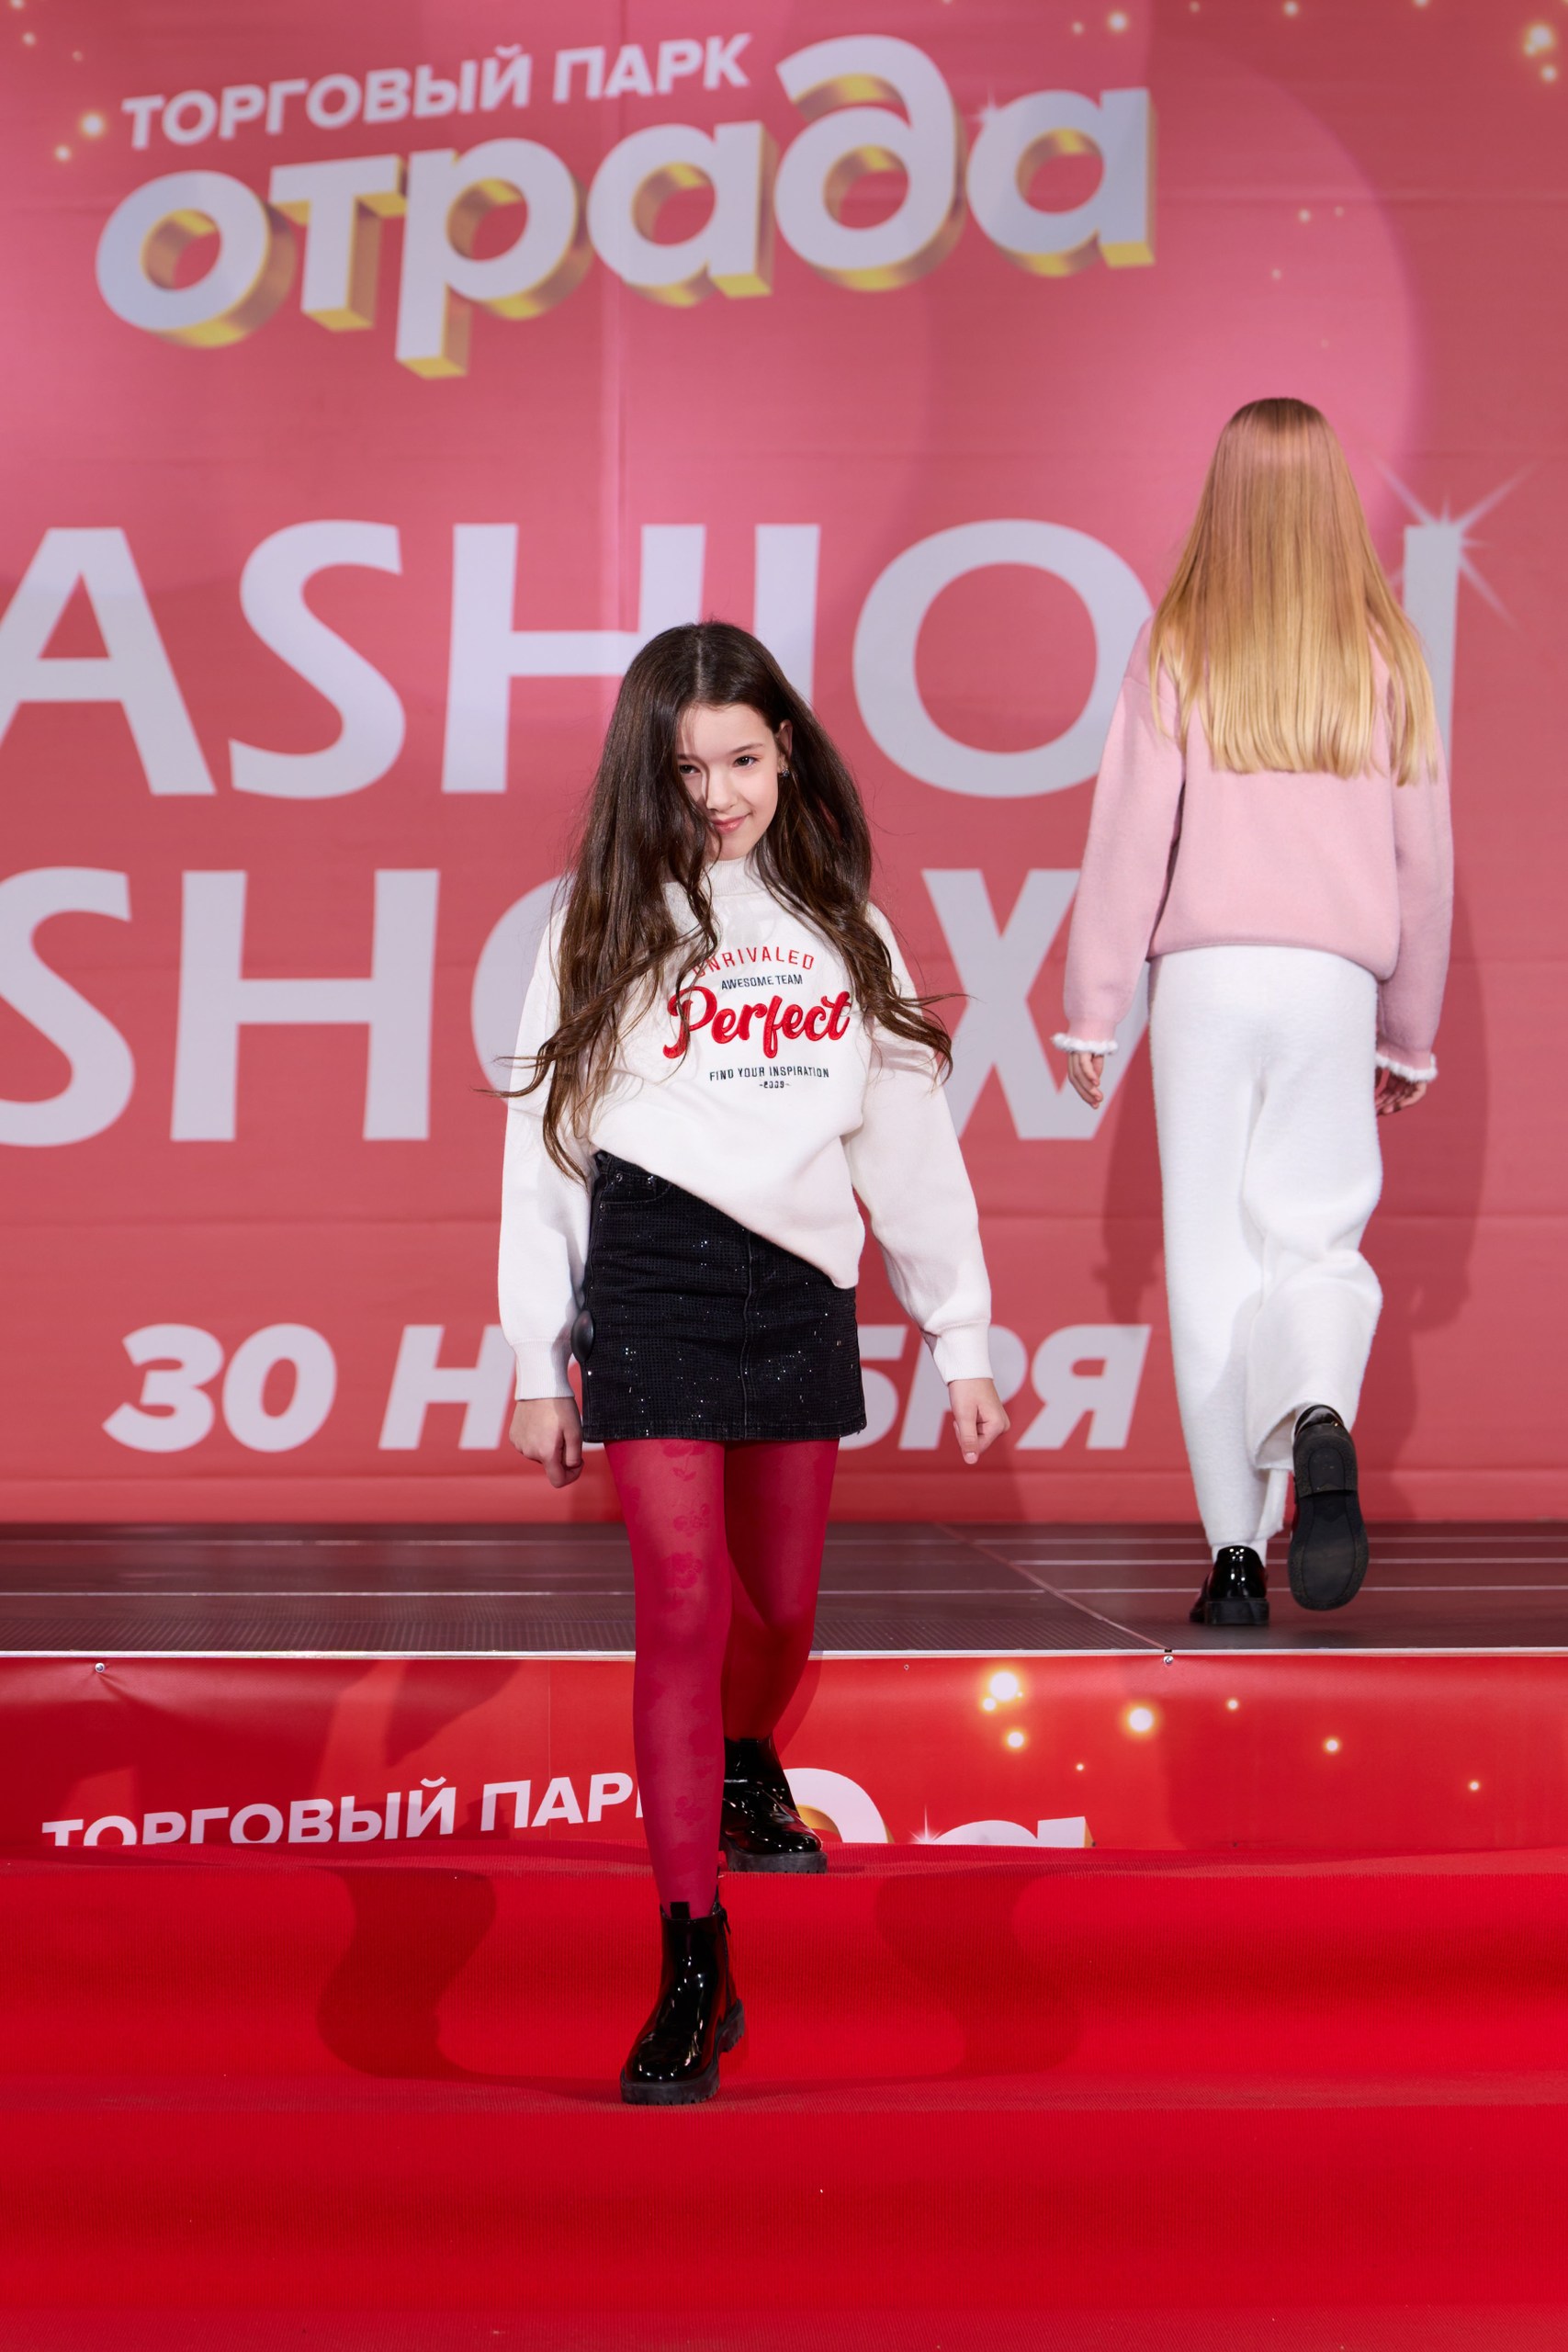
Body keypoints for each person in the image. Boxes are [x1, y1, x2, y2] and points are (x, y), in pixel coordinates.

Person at [499, 620, 1008, 2104]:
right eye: (686, 769)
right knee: (682, 1602)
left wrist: (960, 1331)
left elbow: (907, 1143)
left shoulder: (845, 926)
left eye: (741, 759)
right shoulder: (597, 923)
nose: (718, 794)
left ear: (787, 752)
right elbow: (543, 1146)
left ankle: (743, 1755)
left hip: (796, 1286)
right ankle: (692, 1958)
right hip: (651, 1271)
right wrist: (538, 1354)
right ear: (642, 775)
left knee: (777, 1612)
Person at [1055, 397, 1451, 1630]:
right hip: (1331, 981)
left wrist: (1092, 1010)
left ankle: (1235, 1558)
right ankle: (1317, 1408)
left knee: (1211, 1264)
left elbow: (1129, 837)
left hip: (1208, 984)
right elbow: (1424, 864)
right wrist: (1409, 1031)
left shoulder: (1179, 643)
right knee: (1315, 1242)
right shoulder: (1384, 656)